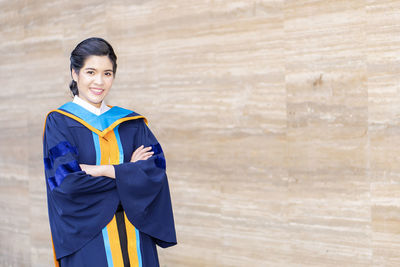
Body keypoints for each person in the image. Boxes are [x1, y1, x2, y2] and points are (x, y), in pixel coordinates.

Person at [42, 37, 177, 267]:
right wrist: (130, 174)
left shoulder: (130, 122)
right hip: (89, 240)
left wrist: (102, 170)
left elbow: (155, 173)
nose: (99, 82)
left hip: (136, 238)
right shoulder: (60, 123)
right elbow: (68, 185)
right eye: (91, 72)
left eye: (107, 73)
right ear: (75, 73)